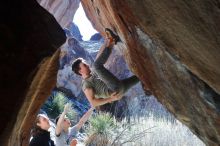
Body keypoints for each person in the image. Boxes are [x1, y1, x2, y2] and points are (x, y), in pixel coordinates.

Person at [72, 28, 140, 107]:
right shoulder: (86, 84)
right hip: (114, 91)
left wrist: (107, 43)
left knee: (141, 76)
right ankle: (112, 40)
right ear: (80, 71)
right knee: (96, 66)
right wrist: (110, 99)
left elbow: (101, 56)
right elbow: (93, 102)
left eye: (86, 63)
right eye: (84, 65)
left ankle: (112, 41)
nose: (87, 65)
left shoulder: (92, 73)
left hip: (121, 88)